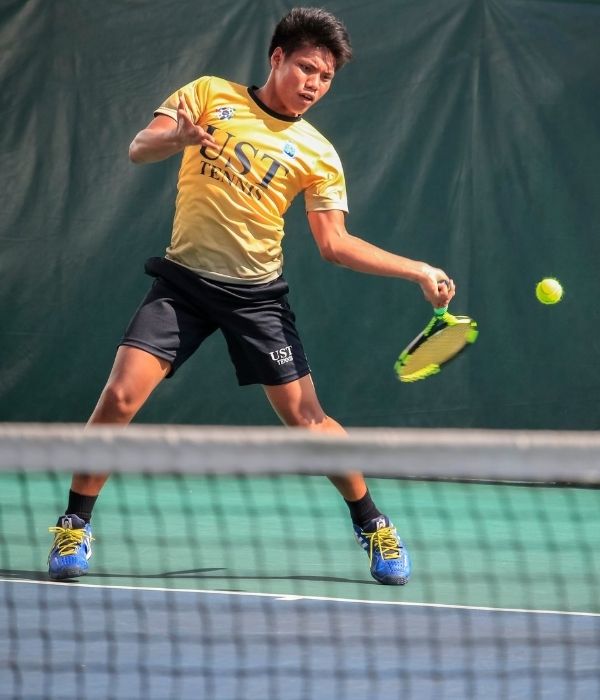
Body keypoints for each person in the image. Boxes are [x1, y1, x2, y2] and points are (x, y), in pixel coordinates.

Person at [48, 7, 454, 585]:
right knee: (117, 398)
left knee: (308, 421)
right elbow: (140, 147)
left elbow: (334, 244)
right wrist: (178, 137)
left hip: (256, 298)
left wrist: (417, 269)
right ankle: (74, 523)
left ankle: (373, 525)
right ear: (276, 58)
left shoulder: (318, 153)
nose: (314, 84)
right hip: (183, 285)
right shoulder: (209, 94)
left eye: (325, 77)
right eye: (306, 68)